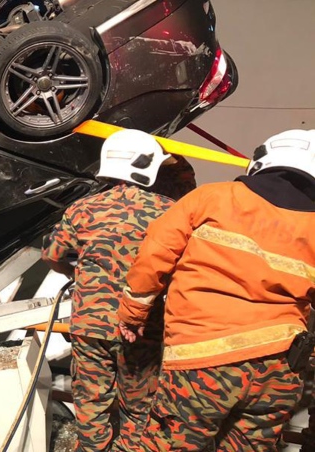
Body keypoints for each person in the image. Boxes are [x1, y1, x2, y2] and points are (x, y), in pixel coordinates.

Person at [119, 129, 315, 451]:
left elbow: (153, 257)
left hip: (202, 360)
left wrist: (132, 314)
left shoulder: (212, 197)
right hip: (281, 368)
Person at [42, 130, 176, 451]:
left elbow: (52, 254)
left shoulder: (82, 209)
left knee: (91, 401)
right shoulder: (170, 211)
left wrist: (76, 273)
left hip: (89, 324)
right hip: (143, 326)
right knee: (140, 405)